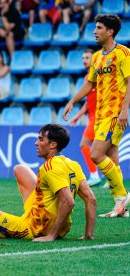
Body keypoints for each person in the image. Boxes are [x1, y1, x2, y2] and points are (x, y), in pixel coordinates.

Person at [63, 14, 130, 218]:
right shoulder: (97, 57)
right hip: (100, 114)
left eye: (99, 27)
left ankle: (122, 197)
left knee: (95, 154)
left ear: (110, 31)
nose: (95, 31)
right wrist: (72, 101)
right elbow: (90, 84)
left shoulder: (123, 53)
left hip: (115, 113)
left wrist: (125, 110)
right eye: (95, 27)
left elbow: (129, 82)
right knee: (111, 158)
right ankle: (121, 206)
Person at [68, 49, 102, 187]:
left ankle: (94, 176)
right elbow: (89, 102)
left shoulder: (99, 76)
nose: (84, 60)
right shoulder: (88, 77)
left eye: (87, 57)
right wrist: (77, 116)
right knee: (105, 150)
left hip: (98, 117)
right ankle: (112, 179)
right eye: (83, 58)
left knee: (84, 144)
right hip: (92, 117)